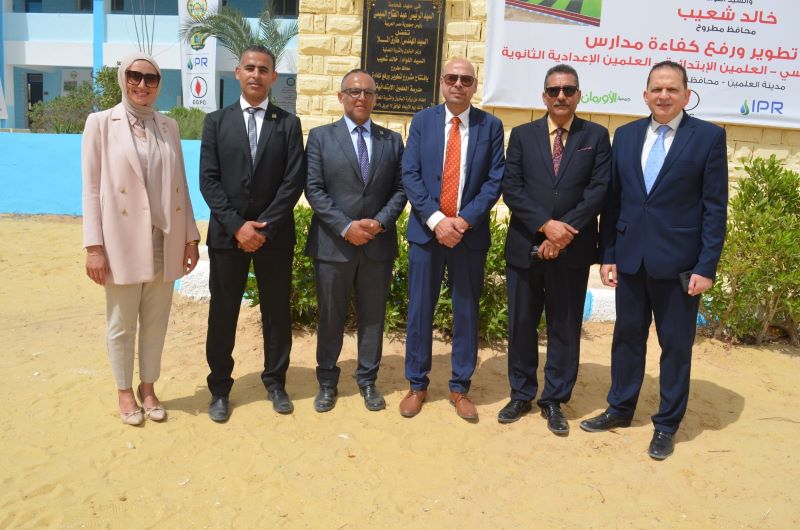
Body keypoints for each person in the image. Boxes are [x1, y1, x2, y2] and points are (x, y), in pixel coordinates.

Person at [580, 60, 728, 459]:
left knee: (675, 346)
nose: (664, 96)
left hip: (680, 265)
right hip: (630, 260)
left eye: (672, 89)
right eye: (657, 89)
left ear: (686, 95)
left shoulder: (708, 137)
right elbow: (614, 202)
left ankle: (666, 424)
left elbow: (715, 208)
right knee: (626, 339)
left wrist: (706, 267)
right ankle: (620, 408)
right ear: (645, 95)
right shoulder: (626, 136)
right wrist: (608, 254)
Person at [82, 52, 201, 425]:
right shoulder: (101, 124)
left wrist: (191, 238)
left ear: (159, 84)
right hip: (120, 241)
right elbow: (91, 189)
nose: (142, 84)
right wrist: (94, 247)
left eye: (151, 78)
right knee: (121, 321)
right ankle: (124, 391)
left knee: (156, 320)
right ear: (123, 78)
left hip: (165, 239)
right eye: (134, 75)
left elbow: (180, 185)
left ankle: (148, 387)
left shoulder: (168, 127)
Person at [498, 64, 611, 433]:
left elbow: (598, 190)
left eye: (568, 90)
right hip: (525, 246)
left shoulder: (596, 136)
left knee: (563, 327)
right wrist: (546, 226)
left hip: (573, 250)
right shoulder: (522, 135)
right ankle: (521, 393)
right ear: (543, 96)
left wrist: (563, 233)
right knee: (522, 324)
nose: (561, 96)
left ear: (578, 95)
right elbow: (512, 187)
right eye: (553, 90)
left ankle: (554, 400)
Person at [200, 45, 305, 422]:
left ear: (273, 77)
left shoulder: (288, 124)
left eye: (263, 69)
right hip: (227, 237)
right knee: (222, 313)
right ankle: (219, 388)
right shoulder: (216, 122)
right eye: (249, 68)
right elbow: (209, 181)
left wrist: (264, 226)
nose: (256, 75)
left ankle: (275, 382)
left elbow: (293, 182)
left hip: (274, 238)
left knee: (276, 312)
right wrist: (237, 226)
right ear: (237, 73)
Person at [400, 58, 505, 420]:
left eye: (466, 79)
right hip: (427, 234)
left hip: (468, 236)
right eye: (452, 78)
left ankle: (460, 387)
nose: (458, 84)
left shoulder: (491, 126)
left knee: (465, 312)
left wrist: (462, 222)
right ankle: (417, 384)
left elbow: (495, 180)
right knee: (419, 311)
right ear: (442, 82)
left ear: (475, 85)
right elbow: (410, 174)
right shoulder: (422, 121)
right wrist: (436, 221)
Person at [304, 69, 406, 412]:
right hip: (333, 246)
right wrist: (346, 226)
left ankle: (368, 381)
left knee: (373, 317)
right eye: (354, 91)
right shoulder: (320, 137)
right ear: (341, 97)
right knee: (330, 317)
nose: (361, 97)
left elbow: (401, 189)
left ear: (375, 99)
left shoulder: (392, 141)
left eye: (368, 93)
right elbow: (314, 189)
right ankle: (327, 382)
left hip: (377, 245)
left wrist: (379, 222)